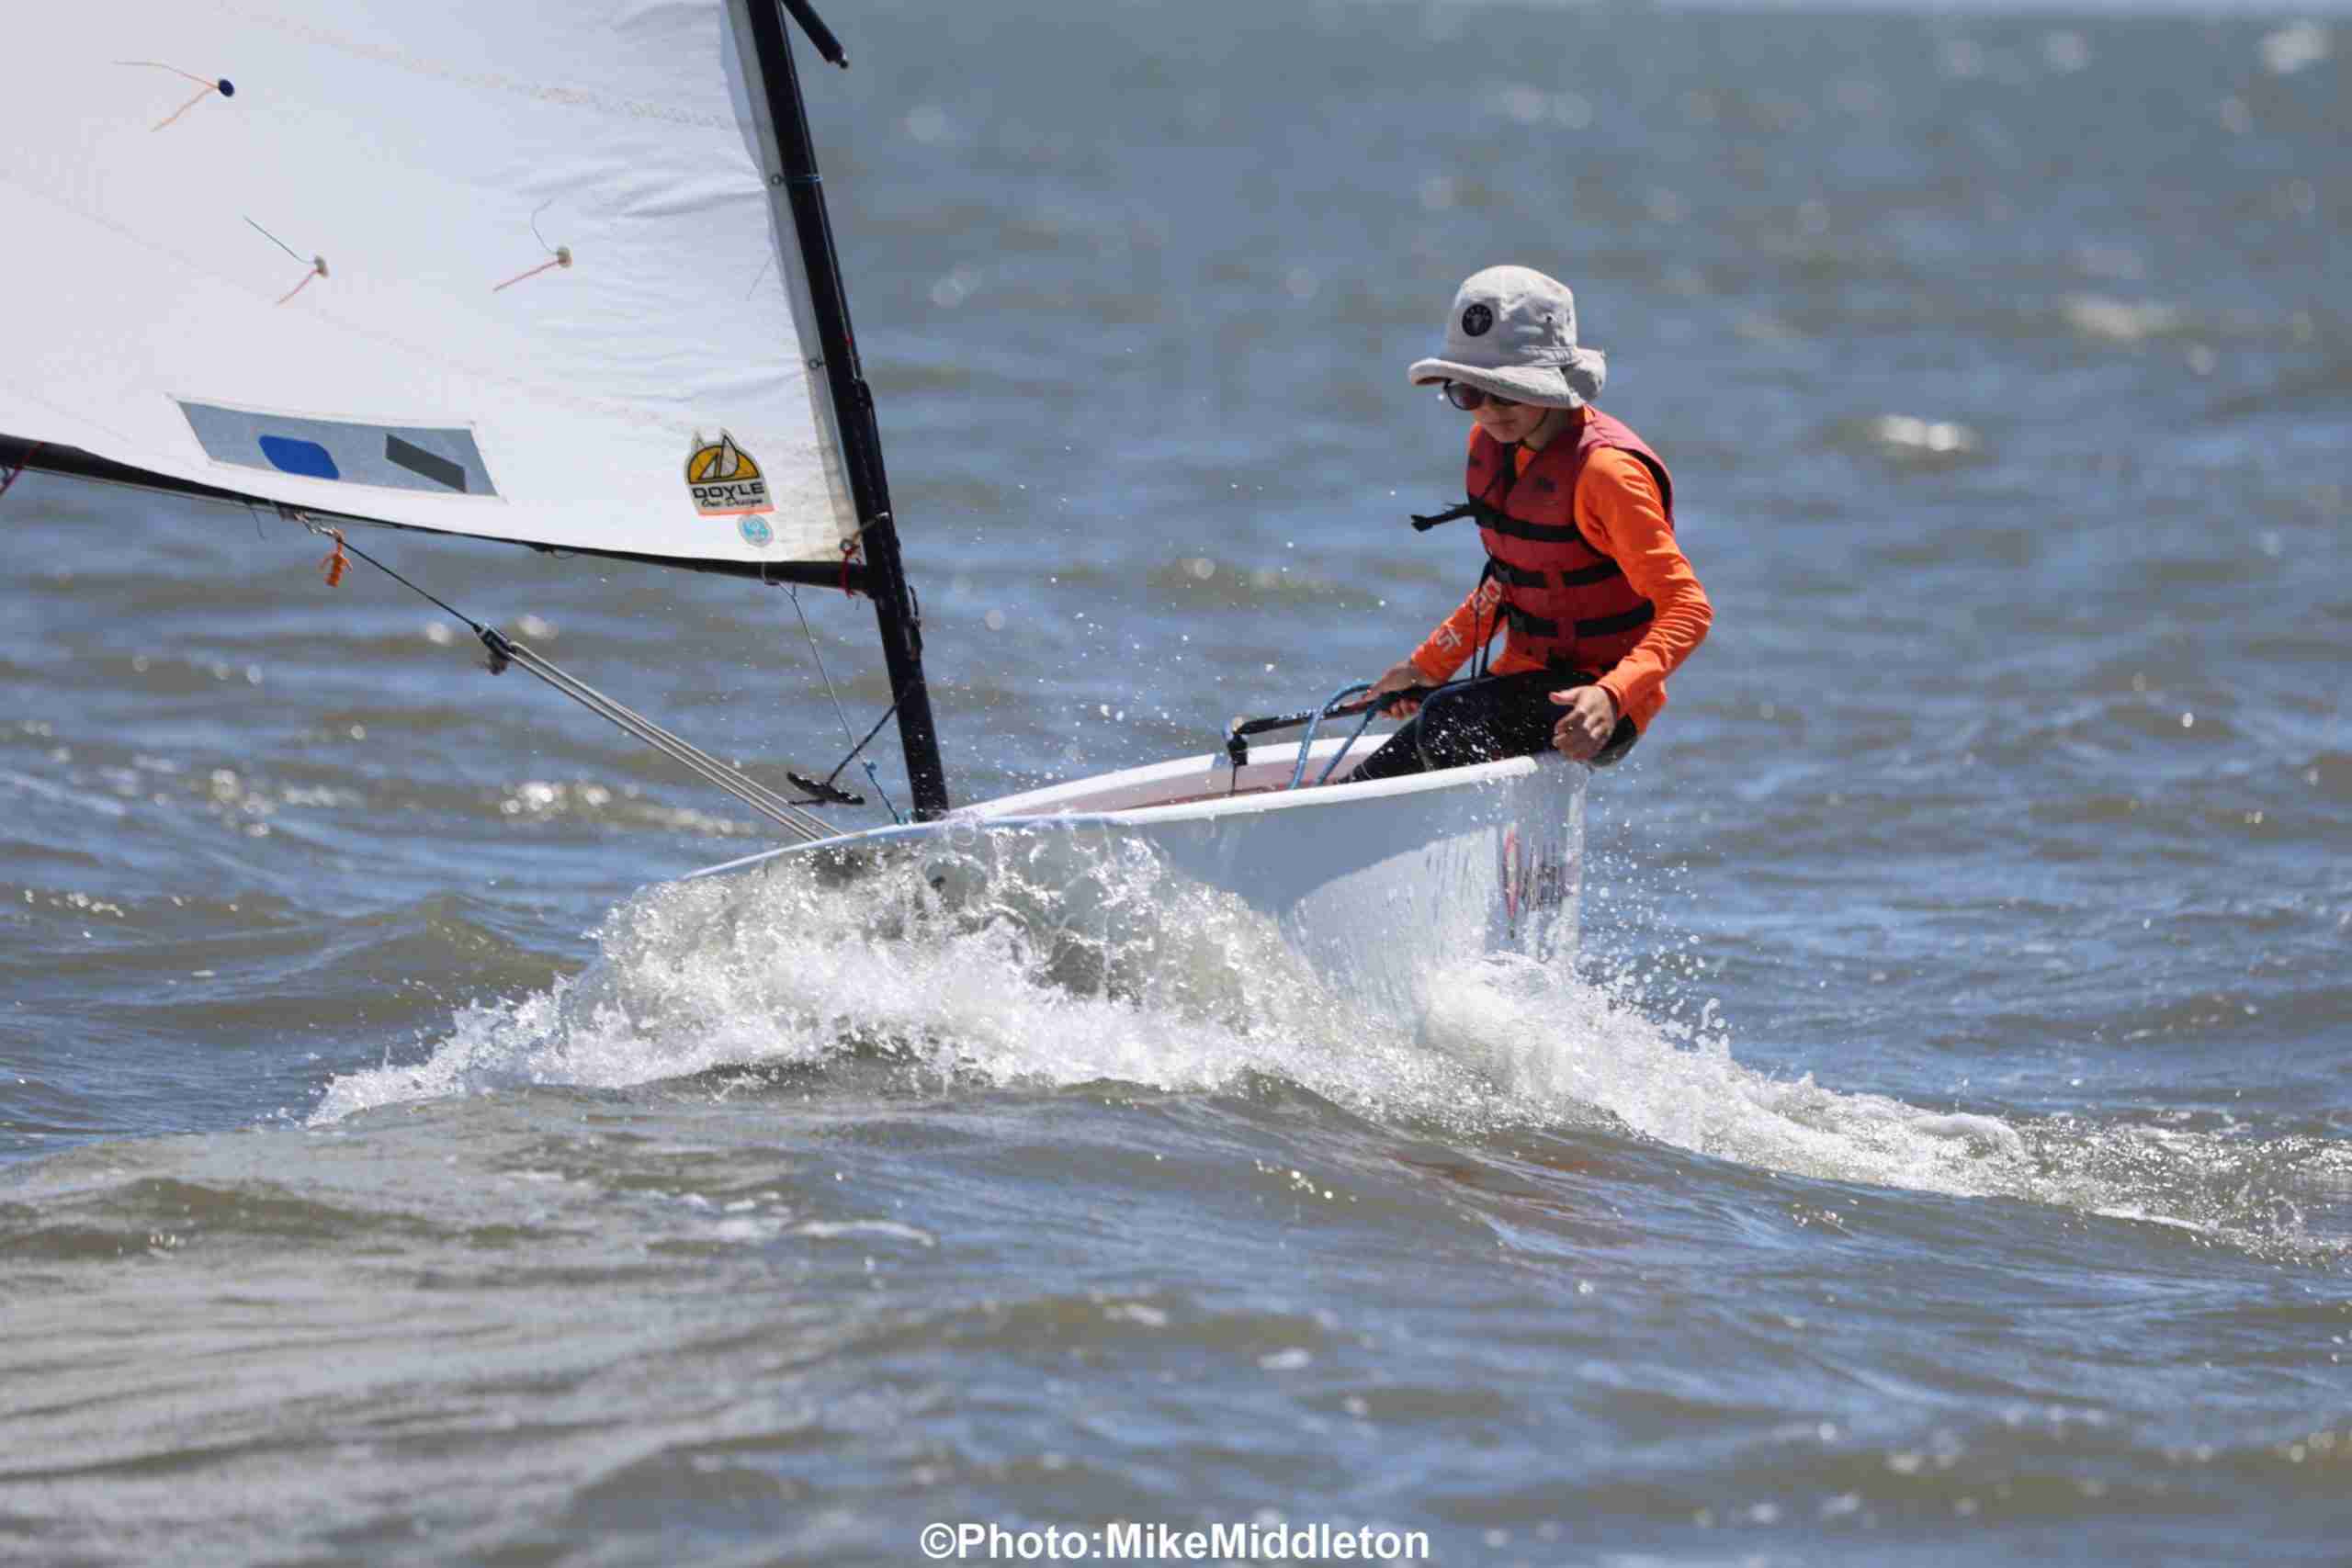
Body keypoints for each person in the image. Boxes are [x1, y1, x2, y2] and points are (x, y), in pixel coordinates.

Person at [1351, 265, 1712, 782]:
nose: (1488, 411)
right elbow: (1515, 579)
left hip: (1602, 699)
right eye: (1469, 394)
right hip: (1524, 682)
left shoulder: (1607, 473)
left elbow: (1688, 608)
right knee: (1382, 768)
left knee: (1447, 722)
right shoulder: (1496, 446)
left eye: (1506, 391)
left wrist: (1612, 694)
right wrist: (1425, 668)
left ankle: (1495, 829)